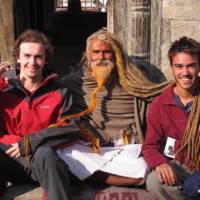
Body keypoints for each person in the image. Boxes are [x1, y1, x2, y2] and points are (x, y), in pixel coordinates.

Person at [60, 29, 168, 186]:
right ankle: (105, 176)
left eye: (107, 52)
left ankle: (86, 174)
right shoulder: (75, 82)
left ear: (116, 54)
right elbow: (54, 99)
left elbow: (152, 95)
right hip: (91, 147)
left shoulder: (131, 79)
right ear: (87, 55)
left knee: (143, 168)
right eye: (96, 52)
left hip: (124, 148)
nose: (101, 57)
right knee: (64, 152)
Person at [0, 30, 81, 200]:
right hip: (8, 159)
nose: (32, 62)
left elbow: (72, 127)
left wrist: (30, 142)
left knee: (46, 154)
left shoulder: (59, 91)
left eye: (38, 57)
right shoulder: (5, 90)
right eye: (27, 56)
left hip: (42, 160)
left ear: (45, 59)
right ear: (18, 58)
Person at [142, 37, 200, 200]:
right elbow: (150, 146)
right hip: (180, 165)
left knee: (194, 187)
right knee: (154, 181)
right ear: (172, 68)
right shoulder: (160, 104)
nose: (185, 72)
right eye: (179, 66)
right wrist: (160, 163)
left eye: (191, 66)